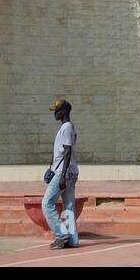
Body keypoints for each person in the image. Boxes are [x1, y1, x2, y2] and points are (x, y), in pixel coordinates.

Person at [42, 98, 79, 249]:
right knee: (68, 206)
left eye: (57, 111)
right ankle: (72, 240)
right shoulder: (68, 127)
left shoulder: (66, 127)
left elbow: (67, 151)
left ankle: (60, 234)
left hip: (64, 173)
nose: (55, 114)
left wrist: (62, 175)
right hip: (69, 171)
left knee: (47, 203)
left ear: (64, 112)